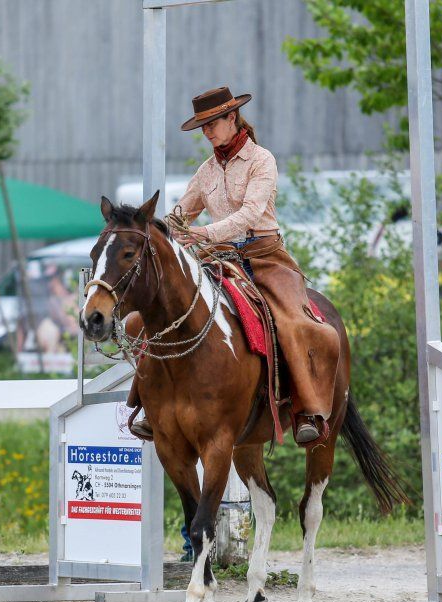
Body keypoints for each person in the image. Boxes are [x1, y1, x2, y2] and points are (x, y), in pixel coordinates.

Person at [129, 86, 341, 446]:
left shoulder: (262, 160)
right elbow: (181, 215)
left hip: (265, 257)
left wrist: (203, 233)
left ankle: (306, 409)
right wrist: (158, 232)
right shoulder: (206, 171)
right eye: (203, 126)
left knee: (291, 322)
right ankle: (150, 404)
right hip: (217, 258)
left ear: (232, 118)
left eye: (212, 123)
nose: (207, 132)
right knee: (154, 316)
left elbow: (250, 214)